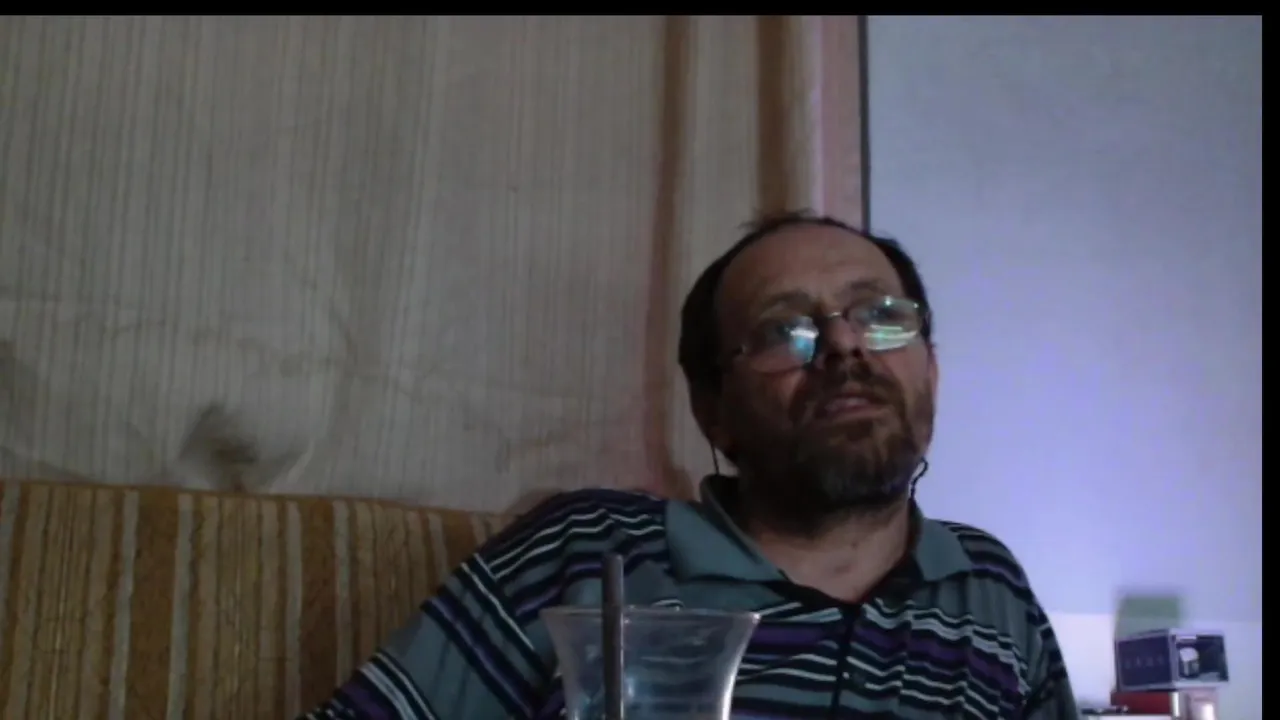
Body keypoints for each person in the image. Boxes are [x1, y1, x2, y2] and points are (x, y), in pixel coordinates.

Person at [300, 210, 1078, 719]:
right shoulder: (582, 551)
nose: (844, 345)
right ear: (712, 410)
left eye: (879, 316)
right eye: (785, 330)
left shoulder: (990, 589)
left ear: (930, 370)